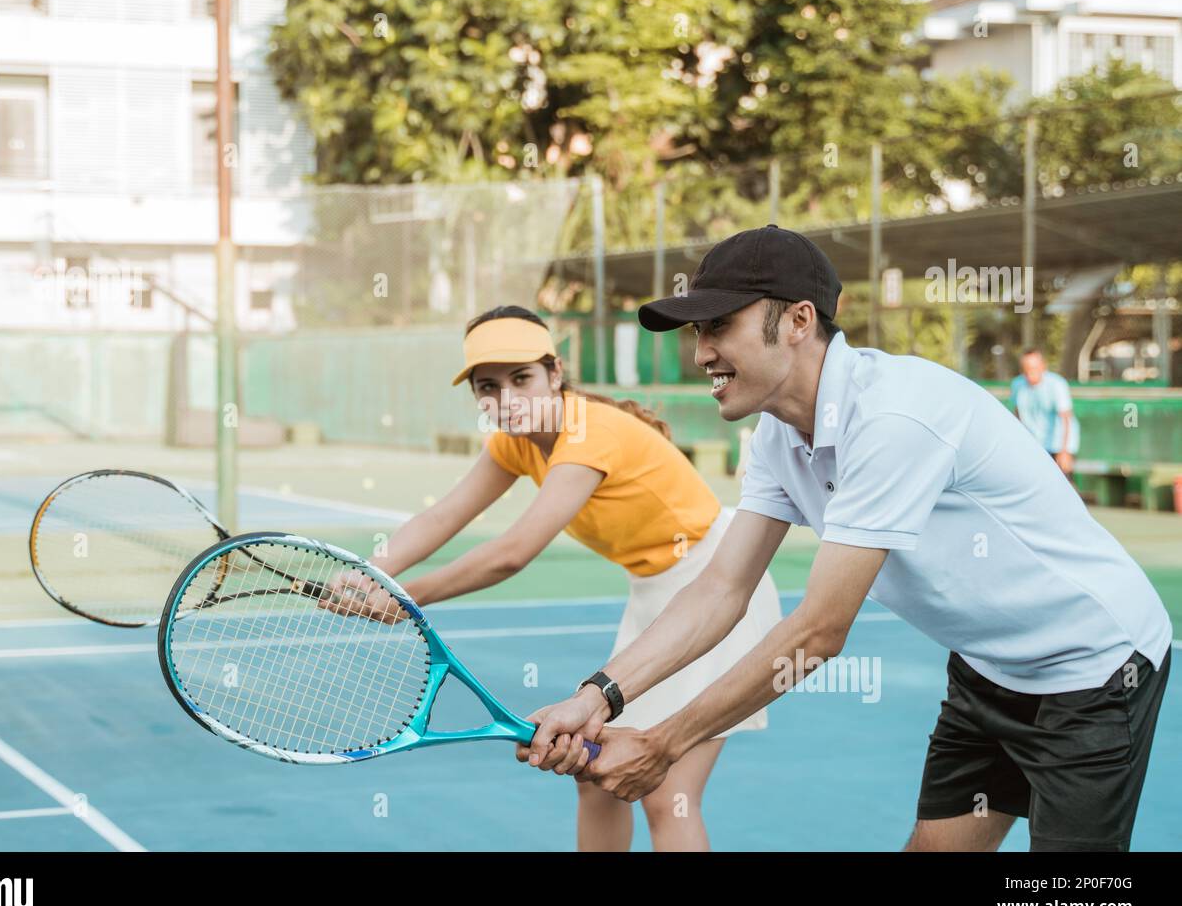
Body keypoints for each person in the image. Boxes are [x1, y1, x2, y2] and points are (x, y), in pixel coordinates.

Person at [519, 225, 1172, 852]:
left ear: (800, 321)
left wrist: (663, 743)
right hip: (989, 669)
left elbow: (819, 633)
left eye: (720, 325)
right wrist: (596, 695)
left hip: (1095, 669)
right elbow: (721, 586)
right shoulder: (778, 434)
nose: (701, 353)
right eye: (697, 330)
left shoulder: (892, 418)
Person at [346, 304, 781, 851]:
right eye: (489, 386)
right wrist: (367, 573)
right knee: (594, 774)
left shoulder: (587, 433)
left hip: (719, 582)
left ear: (555, 373)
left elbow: (514, 552)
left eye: (522, 378)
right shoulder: (514, 442)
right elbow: (442, 516)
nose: (508, 399)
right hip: (655, 596)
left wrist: (406, 598)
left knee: (666, 792)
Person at [1011, 349, 1080, 476]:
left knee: (1062, 488)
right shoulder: (1017, 385)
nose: (1029, 372)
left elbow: (1066, 419)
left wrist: (1064, 452)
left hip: (1057, 446)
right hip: (1034, 446)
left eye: (1033, 368)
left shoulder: (1057, 384)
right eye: (1026, 368)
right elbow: (1017, 415)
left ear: (1043, 366)